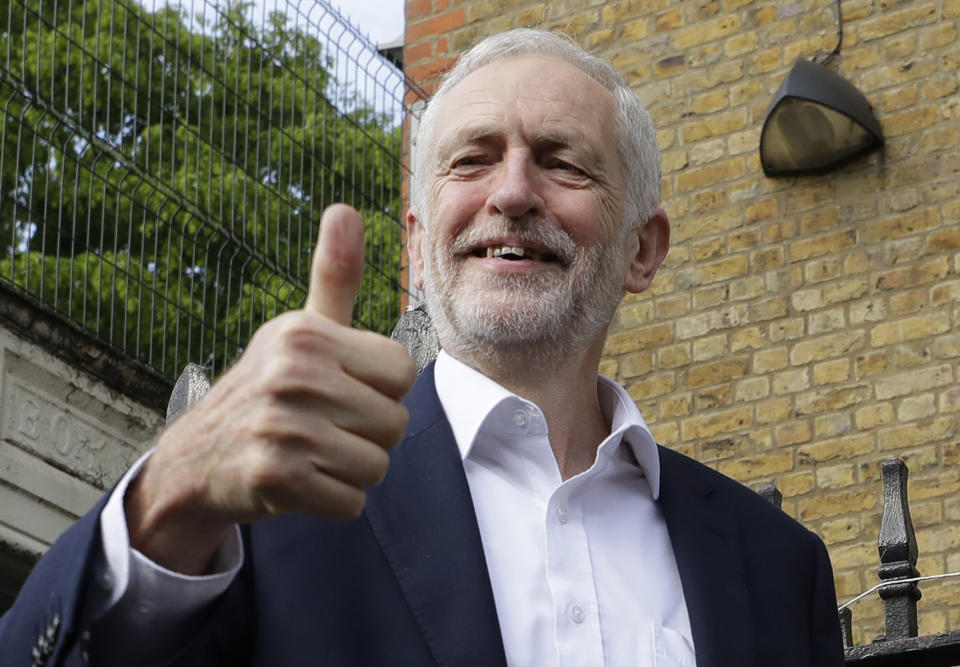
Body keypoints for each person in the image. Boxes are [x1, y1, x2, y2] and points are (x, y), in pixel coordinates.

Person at [0, 29, 844, 666]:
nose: (512, 193)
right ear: (417, 241)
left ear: (642, 249)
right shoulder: (268, 504)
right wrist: (171, 493)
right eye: (472, 160)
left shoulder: (777, 565)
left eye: (563, 164)